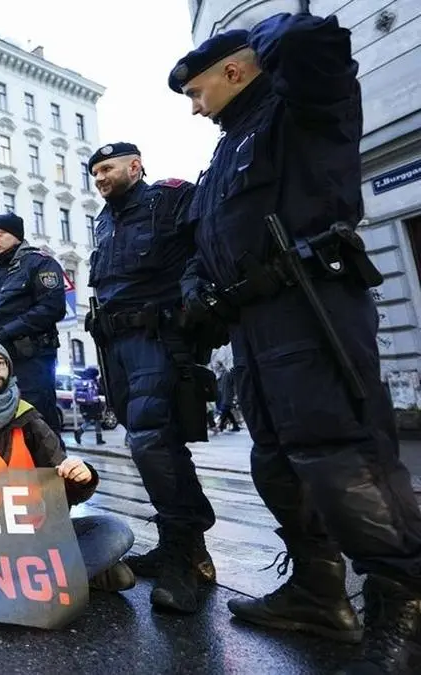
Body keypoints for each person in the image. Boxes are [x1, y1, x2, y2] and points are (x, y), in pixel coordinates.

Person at [170, 15, 421, 668]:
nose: (195, 110)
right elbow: (206, 240)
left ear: (235, 70)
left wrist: (260, 37)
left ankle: (405, 601)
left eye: (197, 92)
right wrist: (199, 288)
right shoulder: (223, 155)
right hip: (253, 325)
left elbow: (318, 40)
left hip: (312, 303)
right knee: (277, 459)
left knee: (340, 450)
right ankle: (318, 590)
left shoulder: (300, 106)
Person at [84, 141, 218, 613]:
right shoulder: (105, 220)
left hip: (156, 338)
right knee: (145, 438)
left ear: (135, 166)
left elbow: (200, 254)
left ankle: (185, 553)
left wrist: (192, 311)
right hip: (114, 344)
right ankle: (184, 548)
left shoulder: (168, 199)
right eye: (94, 172)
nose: (100, 177)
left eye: (107, 168)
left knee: (152, 440)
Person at [0, 340, 136, 592]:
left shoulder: (29, 419)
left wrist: (83, 476)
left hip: (35, 533)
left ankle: (20, 585)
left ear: (9, 369)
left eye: (0, 362)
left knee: (116, 531)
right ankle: (72, 576)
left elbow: (62, 483)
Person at [0, 213, 68, 434]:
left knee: (37, 426)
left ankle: (50, 468)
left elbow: (51, 308)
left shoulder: (40, 263)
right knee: (4, 430)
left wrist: (4, 334)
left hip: (31, 361)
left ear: (15, 235)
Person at [72, 367, 106, 446]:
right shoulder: (93, 381)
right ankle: (80, 432)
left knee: (90, 420)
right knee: (96, 420)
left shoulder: (82, 380)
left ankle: (97, 438)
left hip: (84, 404)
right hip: (94, 404)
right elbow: (101, 390)